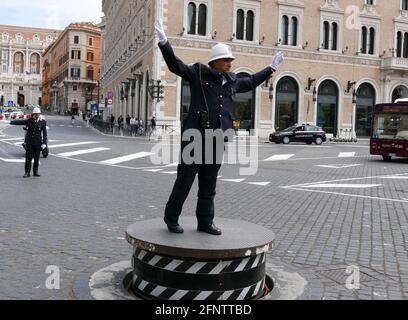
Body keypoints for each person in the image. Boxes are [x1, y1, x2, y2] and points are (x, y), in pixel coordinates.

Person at [155, 19, 284, 235]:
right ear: (215, 62)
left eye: (230, 60)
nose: (230, 63)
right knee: (185, 180)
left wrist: (270, 68)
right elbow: (175, 65)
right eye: (226, 60)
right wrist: (164, 43)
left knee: (209, 184)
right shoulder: (198, 74)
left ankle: (205, 222)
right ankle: (171, 217)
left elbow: (251, 81)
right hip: (195, 136)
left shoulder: (232, 81)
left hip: (217, 138)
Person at [14, 107, 48, 178]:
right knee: (28, 158)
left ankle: (35, 172)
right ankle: (27, 172)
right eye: (36, 114)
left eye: (38, 114)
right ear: (33, 114)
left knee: (37, 158)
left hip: (38, 143)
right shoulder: (29, 120)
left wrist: (44, 143)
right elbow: (20, 122)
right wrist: (11, 122)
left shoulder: (43, 122)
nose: (37, 115)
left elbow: (45, 134)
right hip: (29, 142)